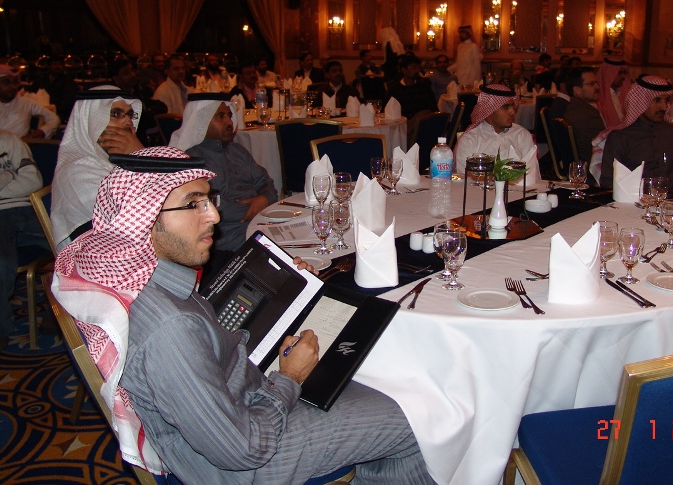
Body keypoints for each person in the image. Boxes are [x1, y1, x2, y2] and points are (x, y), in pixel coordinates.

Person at [52, 146, 433, 485]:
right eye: (193, 204)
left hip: (241, 400)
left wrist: (285, 286)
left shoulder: (134, 272)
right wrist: (289, 378)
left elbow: (204, 335)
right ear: (144, 218)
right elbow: (242, 449)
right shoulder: (169, 329)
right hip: (247, 462)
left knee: (363, 375)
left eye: (209, 199)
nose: (214, 216)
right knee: (419, 415)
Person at [171, 94, 278, 260]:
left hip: (260, 223)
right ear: (201, 121)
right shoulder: (191, 159)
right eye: (220, 116)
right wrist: (257, 207)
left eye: (229, 115)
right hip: (227, 236)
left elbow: (266, 182)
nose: (229, 122)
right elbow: (210, 207)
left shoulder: (238, 151)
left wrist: (263, 199)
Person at [51, 88, 143, 250]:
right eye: (116, 114)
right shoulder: (76, 174)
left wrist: (136, 159)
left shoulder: (112, 163)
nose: (128, 123)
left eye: (129, 115)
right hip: (105, 257)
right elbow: (122, 227)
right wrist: (139, 160)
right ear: (91, 121)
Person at [597, 75, 673, 201]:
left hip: (671, 205)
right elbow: (608, 182)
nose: (663, 107)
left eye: (666, 100)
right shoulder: (620, 137)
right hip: (631, 206)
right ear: (640, 102)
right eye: (657, 100)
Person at [0, 130, 49, 350]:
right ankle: (2, 328)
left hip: (28, 208)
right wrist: (11, 174)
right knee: (2, 264)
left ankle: (60, 312)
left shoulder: (8, 139)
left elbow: (34, 180)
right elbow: (23, 178)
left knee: (71, 247)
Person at [454, 82, 539, 174]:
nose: (512, 112)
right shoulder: (469, 141)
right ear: (489, 110)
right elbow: (464, 179)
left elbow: (532, 175)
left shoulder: (522, 135)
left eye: (512, 106)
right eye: (505, 107)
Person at [0, 64, 61, 140]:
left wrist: (42, 132)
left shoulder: (27, 103)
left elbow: (54, 119)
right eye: (6, 82)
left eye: (15, 82)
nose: (13, 86)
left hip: (18, 145)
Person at [563, 67, 605, 162]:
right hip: (592, 163)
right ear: (577, 90)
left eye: (596, 82)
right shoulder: (588, 115)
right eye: (591, 84)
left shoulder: (573, 106)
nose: (597, 87)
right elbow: (604, 145)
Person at [383, 55, 437, 120]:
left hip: (423, 122)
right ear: (404, 70)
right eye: (414, 68)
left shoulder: (424, 86)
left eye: (418, 68)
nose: (417, 71)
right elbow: (387, 111)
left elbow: (433, 108)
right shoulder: (395, 89)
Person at [33, 55, 78, 120]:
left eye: (59, 64)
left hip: (60, 114)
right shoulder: (42, 80)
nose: (57, 67)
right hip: (41, 112)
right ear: (49, 66)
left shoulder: (68, 82)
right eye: (54, 64)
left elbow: (68, 101)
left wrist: (53, 109)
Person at [595, 58, 632, 129]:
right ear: (608, 74)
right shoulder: (598, 96)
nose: (623, 77)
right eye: (619, 73)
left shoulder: (626, 95)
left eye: (624, 73)